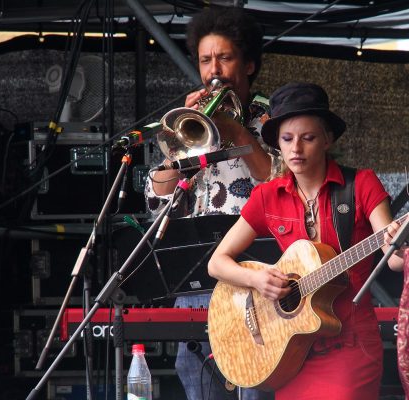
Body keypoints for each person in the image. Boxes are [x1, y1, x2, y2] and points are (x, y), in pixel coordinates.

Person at [207, 82, 405, 399]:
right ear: (278, 145)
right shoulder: (267, 196)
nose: (296, 148)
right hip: (293, 348)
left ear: (327, 139)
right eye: (287, 139)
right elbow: (217, 263)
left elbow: (393, 259)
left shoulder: (361, 184)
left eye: (308, 138)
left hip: (349, 342)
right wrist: (256, 279)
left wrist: (403, 245)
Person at [143, 7, 277, 400]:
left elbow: (281, 181)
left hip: (257, 276)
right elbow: (157, 201)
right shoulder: (191, 122)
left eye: (225, 57)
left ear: (249, 64)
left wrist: (236, 132)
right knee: (192, 369)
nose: (213, 69)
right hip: (199, 281)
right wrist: (180, 140)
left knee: (252, 380)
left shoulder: (274, 122)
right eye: (205, 60)